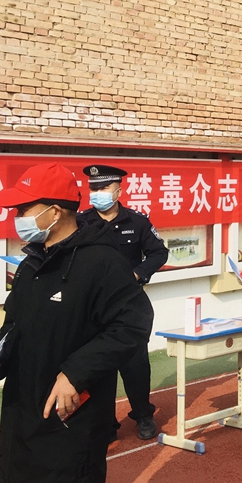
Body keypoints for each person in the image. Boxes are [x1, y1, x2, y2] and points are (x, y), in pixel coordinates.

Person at [0, 162, 153, 483]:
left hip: (72, 416)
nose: (17, 217)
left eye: (23, 209)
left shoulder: (102, 261)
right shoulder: (32, 263)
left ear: (54, 212)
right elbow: (14, 326)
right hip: (28, 409)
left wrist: (75, 373)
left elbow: (132, 325)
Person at [77, 164, 168, 441]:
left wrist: (138, 273)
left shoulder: (137, 222)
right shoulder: (81, 222)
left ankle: (143, 415)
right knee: (97, 366)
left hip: (129, 306)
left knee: (135, 364)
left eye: (104, 188)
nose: (97, 193)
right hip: (93, 307)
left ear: (118, 190)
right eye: (93, 188)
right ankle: (105, 422)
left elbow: (158, 253)